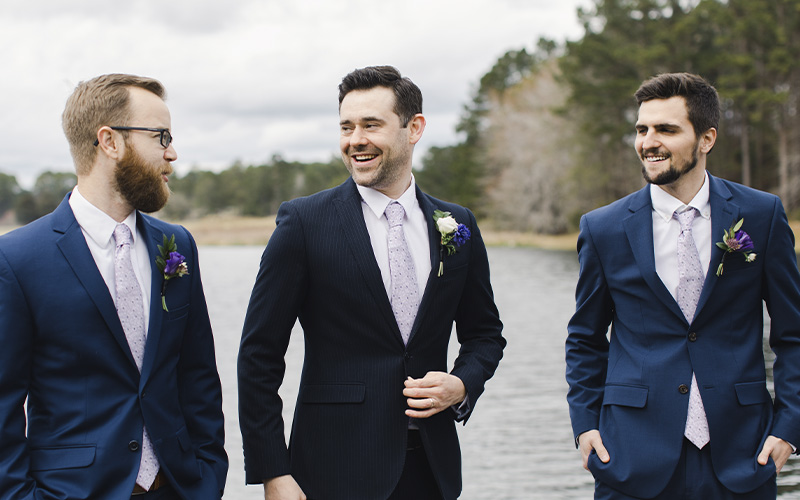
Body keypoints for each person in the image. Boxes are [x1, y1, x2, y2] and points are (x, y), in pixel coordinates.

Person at [238, 65, 506, 500]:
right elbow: (258, 355)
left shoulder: (456, 224)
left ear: (413, 128)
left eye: (371, 125)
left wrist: (462, 383)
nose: (355, 139)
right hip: (330, 470)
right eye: (346, 126)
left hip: (432, 471)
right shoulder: (304, 222)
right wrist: (273, 470)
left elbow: (485, 335)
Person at [566, 72, 800, 499]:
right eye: (642, 129)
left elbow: (793, 334)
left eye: (666, 129)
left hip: (744, 454)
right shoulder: (603, 228)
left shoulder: (762, 215)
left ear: (706, 139)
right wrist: (584, 425)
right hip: (631, 455)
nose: (648, 141)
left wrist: (789, 427)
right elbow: (585, 338)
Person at [0, 74, 228, 499]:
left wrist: (207, 477)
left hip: (177, 487)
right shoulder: (16, 260)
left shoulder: (177, 244)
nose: (172, 153)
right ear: (110, 142)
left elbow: (198, 377)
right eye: (161, 136)